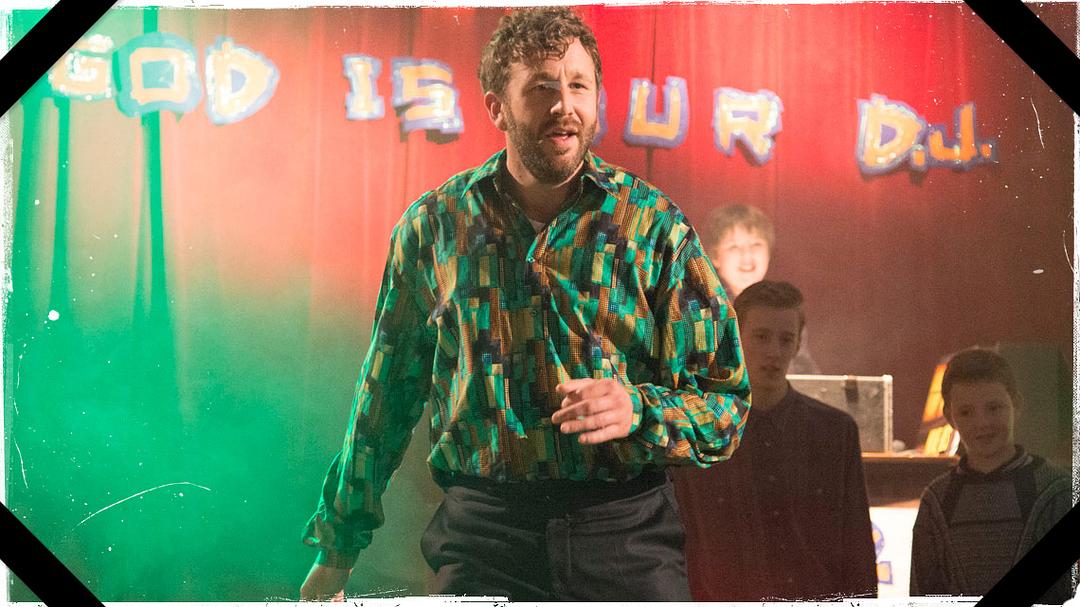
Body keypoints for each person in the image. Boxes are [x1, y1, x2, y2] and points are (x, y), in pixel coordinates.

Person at [299, 7, 750, 602]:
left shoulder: (654, 226)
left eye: (579, 86)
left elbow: (726, 402)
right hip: (484, 541)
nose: (565, 105)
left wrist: (639, 410)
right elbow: (384, 397)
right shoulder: (435, 227)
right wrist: (338, 547)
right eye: (541, 88)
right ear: (497, 108)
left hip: (626, 539)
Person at [671, 280, 877, 601]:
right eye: (762, 337)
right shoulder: (700, 430)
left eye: (786, 339)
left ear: (798, 345)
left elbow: (857, 546)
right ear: (735, 339)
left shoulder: (835, 433)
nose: (774, 352)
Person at [910, 348, 1073, 604]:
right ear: (949, 417)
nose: (982, 423)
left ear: (1016, 404)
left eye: (994, 408)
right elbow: (922, 596)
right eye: (966, 412)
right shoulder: (937, 501)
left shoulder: (1057, 490)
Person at [702, 204, 819, 373]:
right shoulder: (700, 311)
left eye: (756, 245)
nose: (747, 257)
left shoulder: (786, 309)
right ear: (714, 256)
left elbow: (805, 374)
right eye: (734, 247)